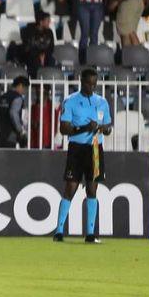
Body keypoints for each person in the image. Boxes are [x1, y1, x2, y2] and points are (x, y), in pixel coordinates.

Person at [53, 68, 112, 244]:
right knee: (70, 188)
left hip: (95, 149)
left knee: (92, 189)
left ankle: (90, 234)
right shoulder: (70, 101)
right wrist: (85, 128)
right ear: (81, 81)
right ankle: (59, 231)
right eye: (88, 83)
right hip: (77, 149)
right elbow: (64, 129)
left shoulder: (102, 102)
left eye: (94, 84)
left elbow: (108, 127)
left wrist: (103, 128)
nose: (91, 87)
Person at [0, 76, 29, 148]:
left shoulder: (0, 98)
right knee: (9, 154)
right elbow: (13, 113)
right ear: (20, 85)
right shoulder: (17, 98)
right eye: (25, 88)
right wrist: (20, 130)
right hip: (10, 136)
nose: (25, 91)